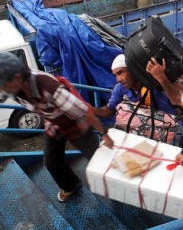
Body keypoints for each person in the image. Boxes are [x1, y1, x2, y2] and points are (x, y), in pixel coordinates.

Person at [0, 52, 113, 202]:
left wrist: (103, 133)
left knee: (96, 159)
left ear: (17, 78)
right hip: (53, 122)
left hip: (76, 123)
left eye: (3, 85)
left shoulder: (49, 87)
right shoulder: (13, 89)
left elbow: (85, 112)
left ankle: (114, 188)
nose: (2, 90)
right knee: (51, 161)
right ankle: (71, 185)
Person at [93, 54, 178, 119]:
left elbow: (178, 100)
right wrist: (88, 109)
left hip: (164, 133)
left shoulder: (153, 83)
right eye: (115, 75)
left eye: (120, 73)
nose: (118, 79)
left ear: (132, 70)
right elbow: (108, 111)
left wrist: (162, 78)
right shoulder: (120, 88)